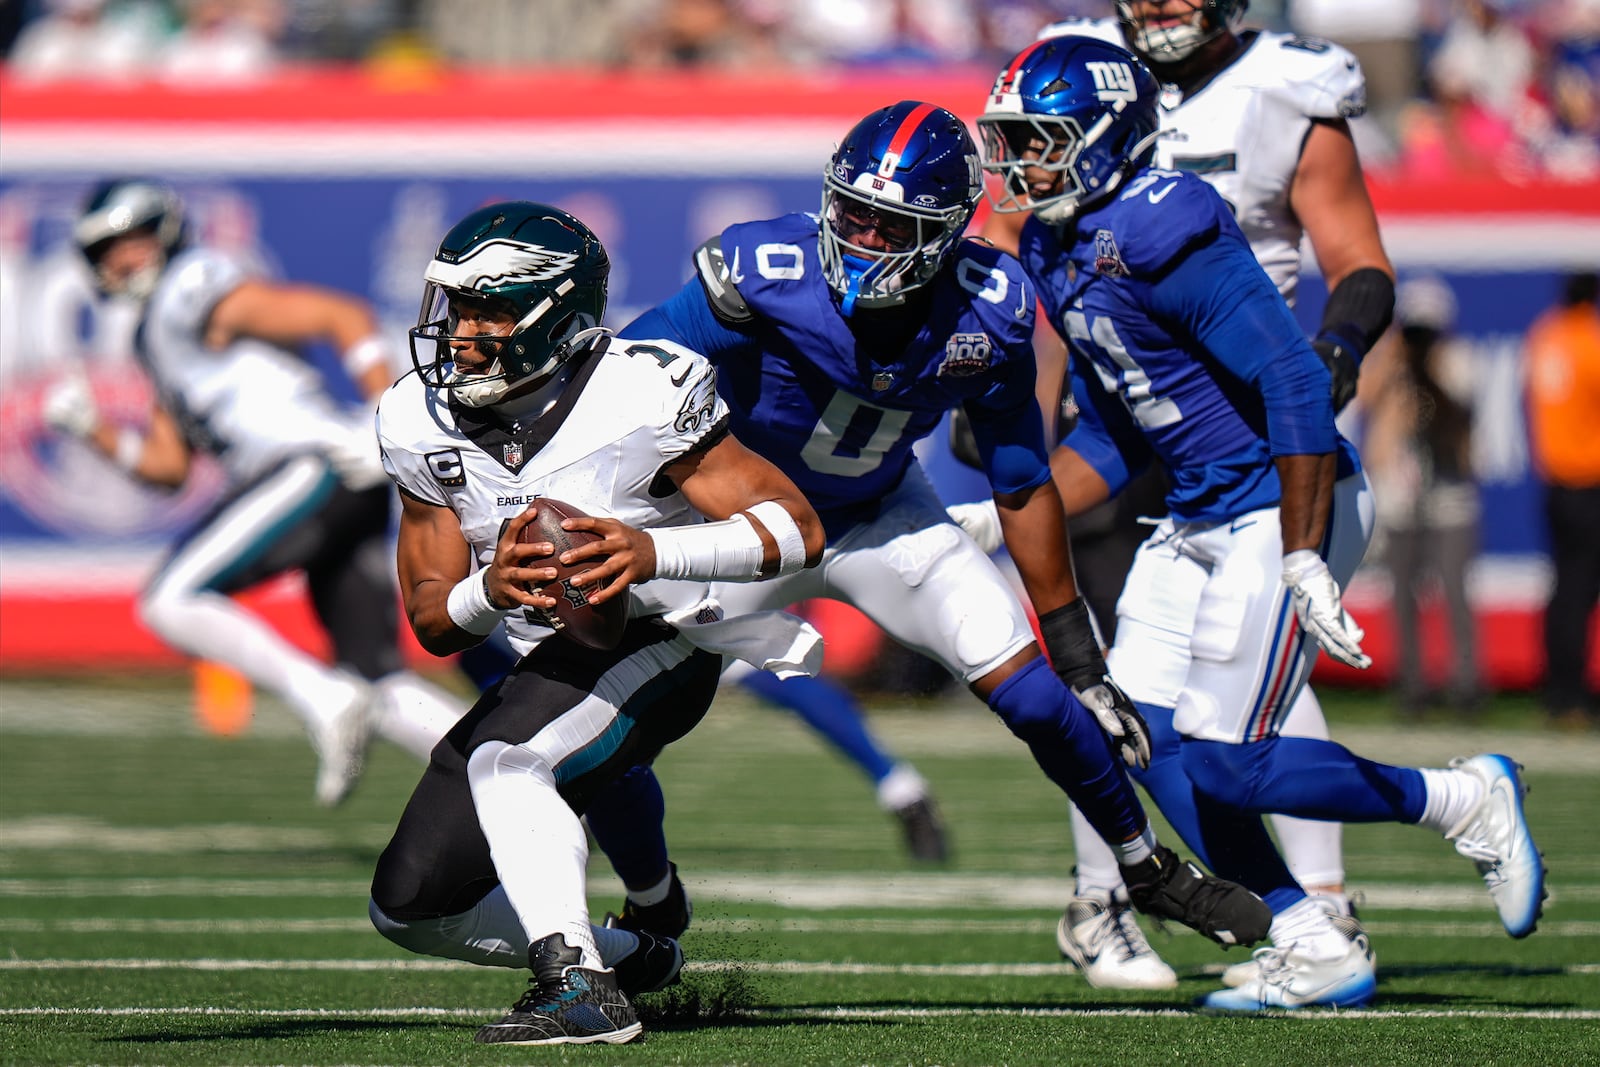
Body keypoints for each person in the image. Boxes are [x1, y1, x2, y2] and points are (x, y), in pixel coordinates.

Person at [593, 100, 1273, 960]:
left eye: (893, 223)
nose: (865, 237)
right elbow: (630, 379)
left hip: (882, 517)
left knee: (1040, 698)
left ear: (946, 230)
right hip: (738, 527)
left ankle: (1142, 870)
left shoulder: (988, 311)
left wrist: (1077, 656)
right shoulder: (762, 266)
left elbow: (1022, 482)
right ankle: (654, 904)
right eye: (854, 212)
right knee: (604, 715)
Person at [975, 35, 1545, 1009]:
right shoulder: (1054, 241)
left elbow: (1292, 378)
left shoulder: (1165, 221)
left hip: (1276, 499)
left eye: (1041, 141)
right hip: (1194, 508)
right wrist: (996, 520)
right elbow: (1122, 430)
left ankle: (1461, 796)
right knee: (1139, 740)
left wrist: (1301, 550)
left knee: (1227, 757)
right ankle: (1307, 937)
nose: (1019, 163)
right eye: (1014, 140)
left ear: (1104, 138)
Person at [955, 0, 1398, 990]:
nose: (1155, 4)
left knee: (1231, 713)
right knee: (1123, 690)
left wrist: (1330, 350)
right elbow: (1015, 237)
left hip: (1248, 402)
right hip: (1122, 401)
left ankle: (1324, 905)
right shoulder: (1072, 69)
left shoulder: (1289, 86)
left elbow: (1358, 263)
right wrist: (996, 393)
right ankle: (1111, 894)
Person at [367, 200, 831, 1047]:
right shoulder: (415, 418)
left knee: (508, 762)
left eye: (490, 310)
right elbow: (435, 620)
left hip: (663, 635)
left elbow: (796, 530)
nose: (463, 332)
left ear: (559, 316)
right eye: (457, 307)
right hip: (546, 660)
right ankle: (634, 956)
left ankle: (579, 986)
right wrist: (491, 591)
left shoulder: (641, 388)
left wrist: (654, 555)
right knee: (409, 904)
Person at [42, 178, 464, 806]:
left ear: (161, 231)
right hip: (329, 482)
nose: (116, 261)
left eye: (125, 243)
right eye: (103, 251)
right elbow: (170, 467)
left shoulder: (192, 286)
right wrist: (97, 434)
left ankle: (320, 696)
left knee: (169, 598)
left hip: (313, 464)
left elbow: (339, 316)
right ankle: (516, 778)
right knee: (378, 679)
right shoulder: (154, 333)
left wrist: (385, 420)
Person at [1360, 275, 1483, 716]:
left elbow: (1457, 418)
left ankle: (1466, 685)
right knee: (1403, 595)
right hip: (1400, 498)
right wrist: (1396, 363)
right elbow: (1364, 402)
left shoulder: (1459, 362)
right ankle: (1411, 685)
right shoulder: (1391, 364)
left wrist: (1428, 373)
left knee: (1453, 592)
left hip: (1451, 499)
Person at [1524, 270, 1600, 730]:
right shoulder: (1587, 340)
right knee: (1580, 591)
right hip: (1588, 480)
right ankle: (1571, 692)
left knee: (1564, 589)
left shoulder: (1544, 335)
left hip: (1555, 482)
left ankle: (1558, 689)